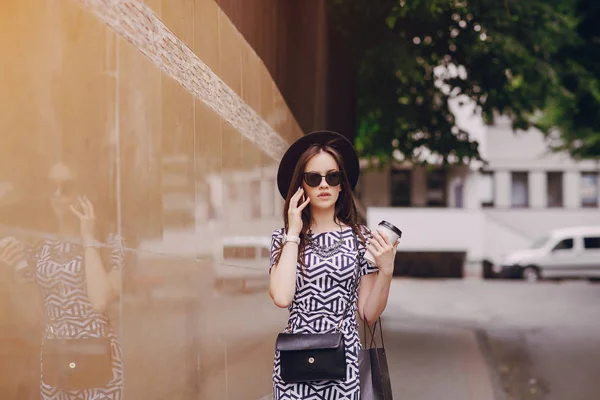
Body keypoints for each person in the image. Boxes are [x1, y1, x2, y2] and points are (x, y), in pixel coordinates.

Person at [269, 130, 400, 399]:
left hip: (345, 366)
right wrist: (293, 232)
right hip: (295, 365)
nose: (324, 185)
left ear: (342, 184)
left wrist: (386, 270)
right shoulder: (283, 239)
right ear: (301, 186)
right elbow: (282, 297)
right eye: (313, 178)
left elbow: (368, 314)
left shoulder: (361, 238)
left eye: (333, 176)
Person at [0, 161, 124, 400]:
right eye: (52, 186)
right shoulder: (38, 247)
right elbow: (34, 316)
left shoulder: (110, 243)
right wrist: (14, 270)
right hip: (56, 360)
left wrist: (88, 237)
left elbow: (99, 301)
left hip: (98, 362)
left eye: (66, 187)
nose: (57, 195)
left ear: (84, 192)